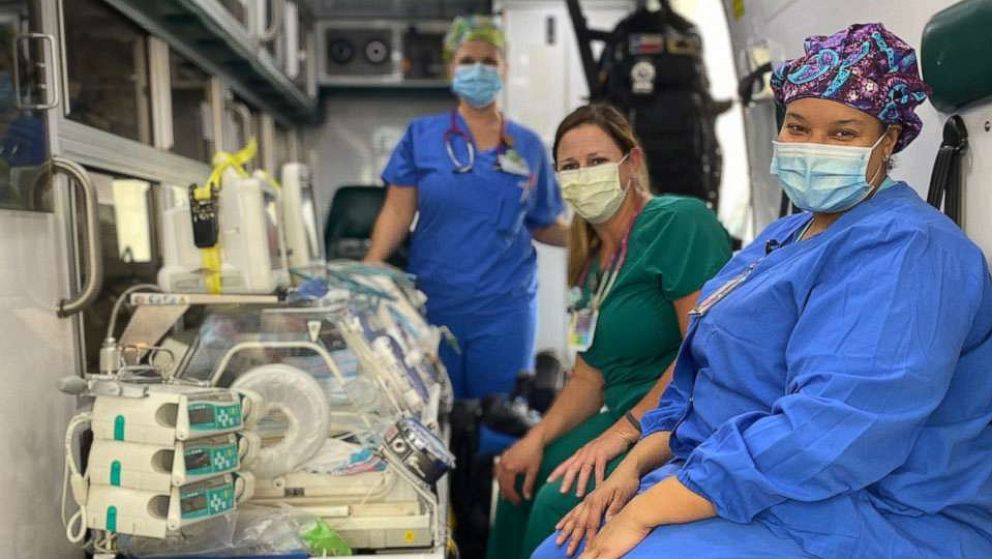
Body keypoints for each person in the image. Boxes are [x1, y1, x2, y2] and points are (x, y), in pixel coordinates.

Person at [533, 22, 992, 559]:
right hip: (756, 480)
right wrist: (633, 469)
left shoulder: (912, 252)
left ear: (888, 140)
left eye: (843, 133)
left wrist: (650, 510)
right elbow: (707, 383)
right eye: (798, 127)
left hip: (883, 512)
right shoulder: (782, 237)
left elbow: (829, 432)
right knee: (561, 546)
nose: (813, 147)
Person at [487, 104, 731, 559]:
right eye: (570, 167)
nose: (584, 175)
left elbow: (703, 352)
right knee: (517, 477)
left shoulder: (677, 223)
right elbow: (588, 377)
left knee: (554, 501)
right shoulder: (591, 261)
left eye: (597, 162)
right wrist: (535, 438)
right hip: (624, 414)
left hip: (678, 420)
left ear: (632, 162)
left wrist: (621, 431)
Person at [367, 16, 569, 399]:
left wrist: (597, 237)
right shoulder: (421, 137)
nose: (479, 69)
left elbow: (544, 223)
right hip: (433, 302)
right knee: (433, 410)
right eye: (468, 60)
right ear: (451, 68)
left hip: (505, 308)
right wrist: (372, 264)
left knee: (500, 419)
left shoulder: (527, 147)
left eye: (490, 61)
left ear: (505, 70)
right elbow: (397, 212)